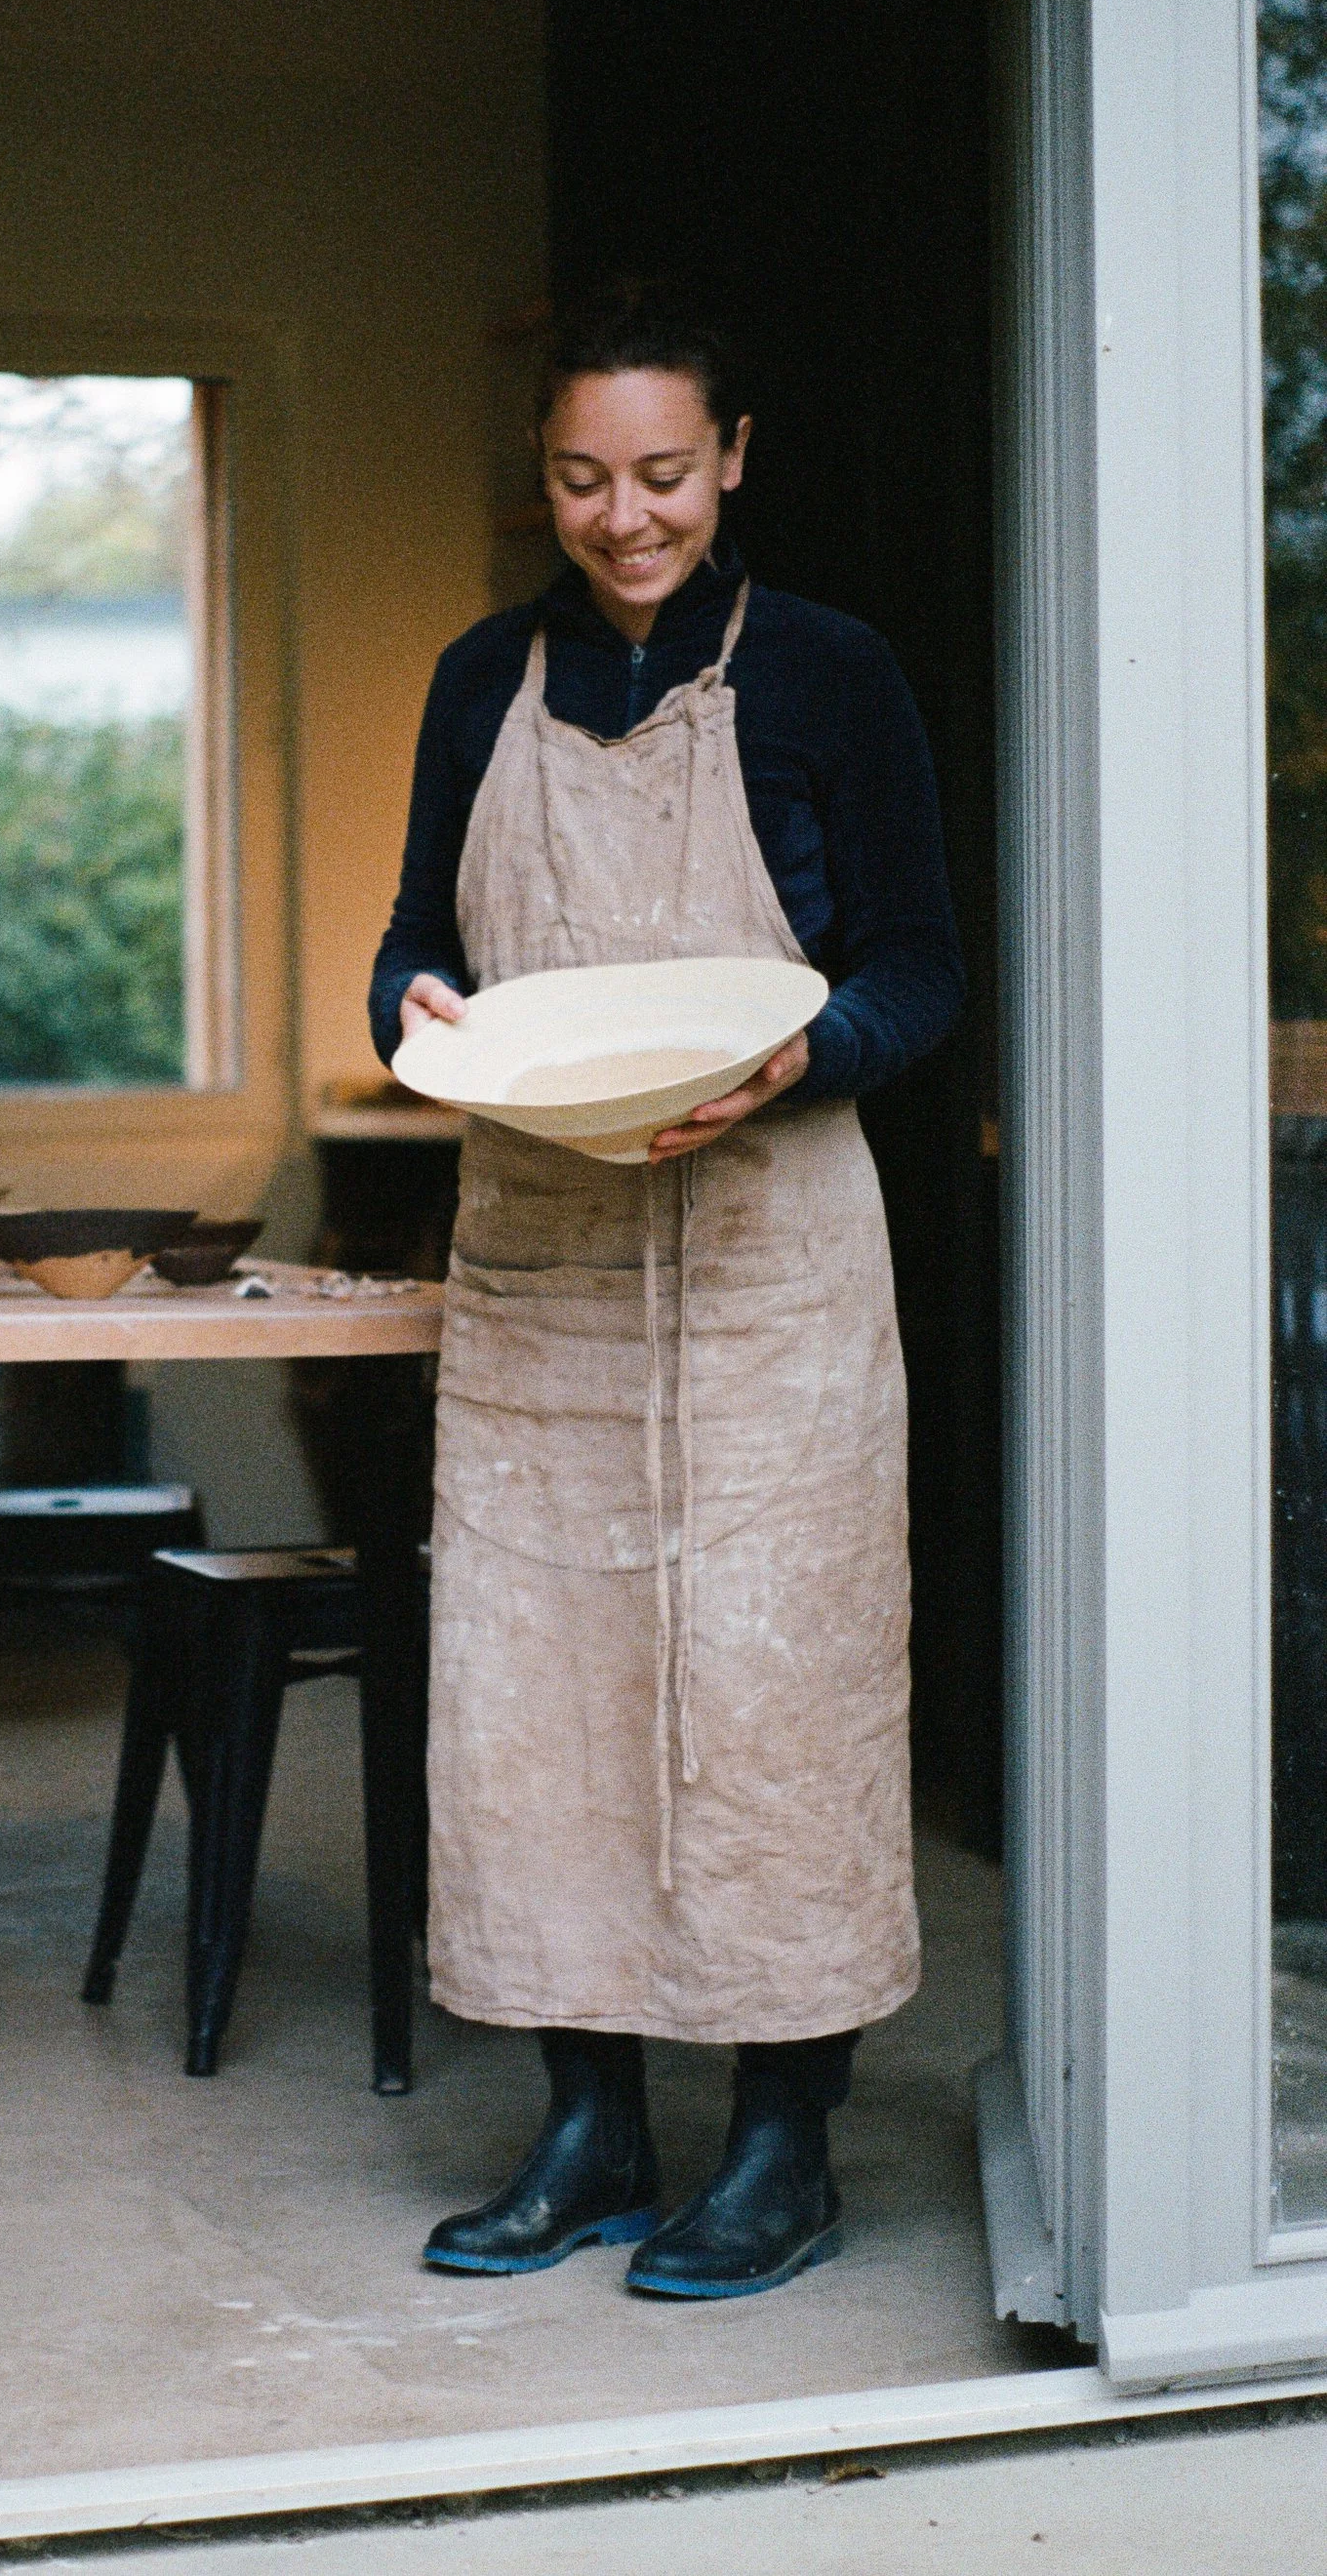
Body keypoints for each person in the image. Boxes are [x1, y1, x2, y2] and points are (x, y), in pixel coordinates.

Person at [370, 280, 964, 2299]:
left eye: (659, 473)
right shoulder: (478, 679)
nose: (622, 515)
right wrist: (416, 1010)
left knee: (775, 1688)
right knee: (539, 1694)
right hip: (542, 1258)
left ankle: (783, 2139)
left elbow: (918, 968)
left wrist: (805, 1050)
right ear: (542, 472)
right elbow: (406, 954)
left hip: (772, 1263)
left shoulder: (826, 674)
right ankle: (588, 2125)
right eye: (578, 476)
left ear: (731, 459)